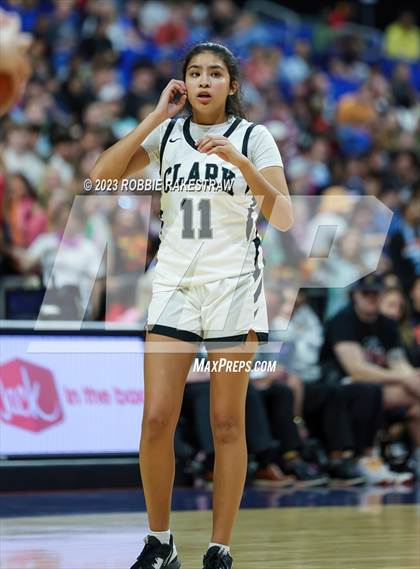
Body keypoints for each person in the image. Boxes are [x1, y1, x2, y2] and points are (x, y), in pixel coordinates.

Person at [90, 42, 292, 569]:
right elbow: (100, 180)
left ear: (232, 85)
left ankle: (219, 548)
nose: (204, 81)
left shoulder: (255, 136)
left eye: (215, 74)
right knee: (156, 418)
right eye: (195, 73)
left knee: (227, 422)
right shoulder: (165, 134)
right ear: (183, 83)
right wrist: (154, 117)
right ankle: (160, 541)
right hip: (175, 287)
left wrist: (241, 162)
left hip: (234, 290)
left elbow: (287, 218)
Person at [320, 274, 420, 478]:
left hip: (379, 386)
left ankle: (416, 457)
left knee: (417, 403)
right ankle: (366, 458)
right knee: (373, 391)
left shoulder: (387, 324)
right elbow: (357, 370)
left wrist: (413, 377)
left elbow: (398, 363)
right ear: (355, 295)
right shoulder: (343, 320)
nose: (372, 297)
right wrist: (404, 379)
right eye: (366, 293)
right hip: (342, 387)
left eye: (376, 293)